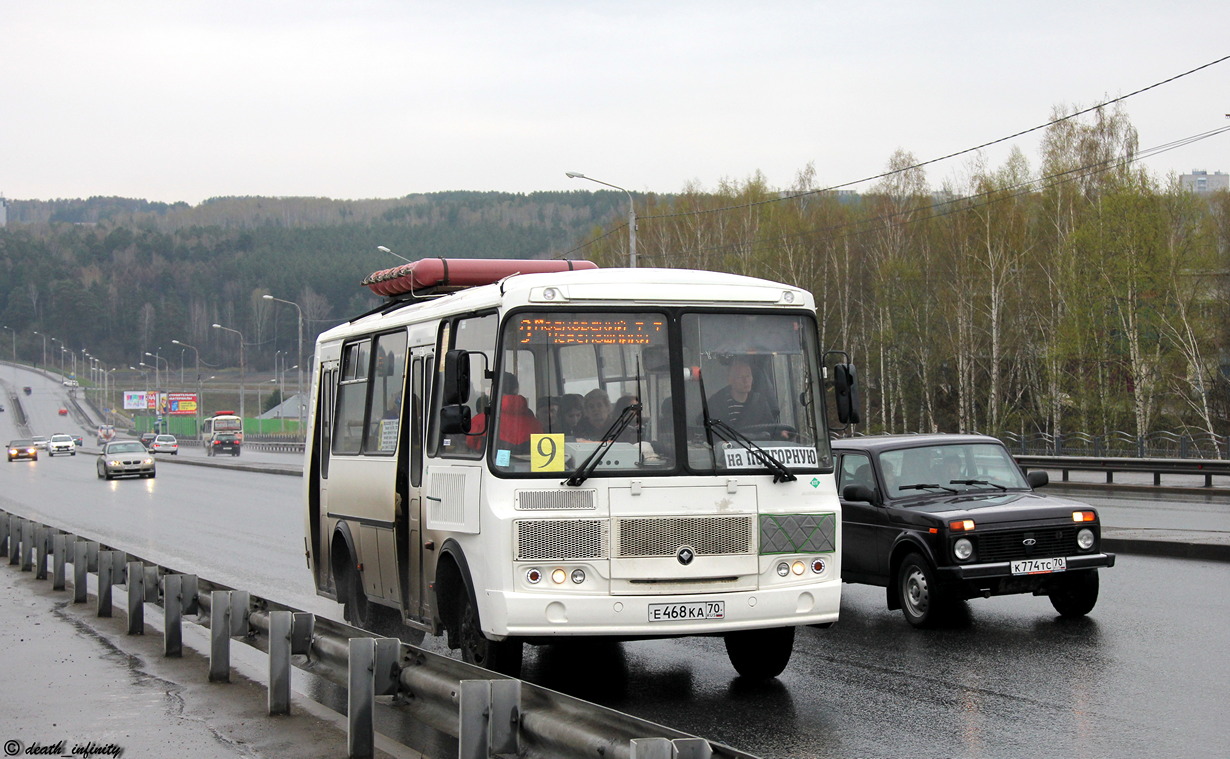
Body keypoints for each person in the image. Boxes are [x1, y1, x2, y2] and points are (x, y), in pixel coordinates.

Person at [467, 373, 541, 450]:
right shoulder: (536, 424)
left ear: (494, 390)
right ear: (516, 390)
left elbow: (470, 446)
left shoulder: (480, 421)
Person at [705, 358, 778, 430]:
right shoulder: (716, 403)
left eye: (748, 376)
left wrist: (781, 433)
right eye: (740, 377)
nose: (746, 381)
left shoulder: (761, 403)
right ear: (730, 380)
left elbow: (771, 430)